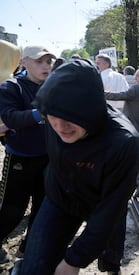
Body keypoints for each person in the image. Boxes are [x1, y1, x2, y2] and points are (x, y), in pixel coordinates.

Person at [20, 59, 139, 274]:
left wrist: (74, 260)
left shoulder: (124, 143)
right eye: (52, 115)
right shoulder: (54, 117)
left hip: (100, 202)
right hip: (60, 197)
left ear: (91, 109)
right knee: (34, 268)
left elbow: (110, 209)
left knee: (107, 250)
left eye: (70, 117)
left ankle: (111, 261)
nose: (60, 126)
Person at [0, 46, 55, 264]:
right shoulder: (11, 87)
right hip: (19, 159)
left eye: (48, 62)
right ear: (24, 62)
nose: (45, 66)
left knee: (43, 209)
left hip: (48, 159)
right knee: (12, 210)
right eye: (40, 61)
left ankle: (27, 248)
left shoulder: (52, 87)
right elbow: (11, 118)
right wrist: (39, 113)